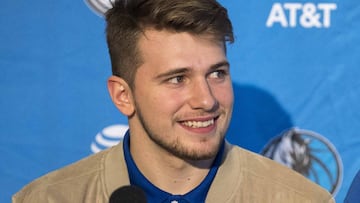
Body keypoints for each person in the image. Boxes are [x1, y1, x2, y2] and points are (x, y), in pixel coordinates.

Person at [13, 0, 335, 202]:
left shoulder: (300, 199)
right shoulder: (48, 198)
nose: (206, 100)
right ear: (123, 96)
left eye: (217, 73)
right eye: (177, 78)